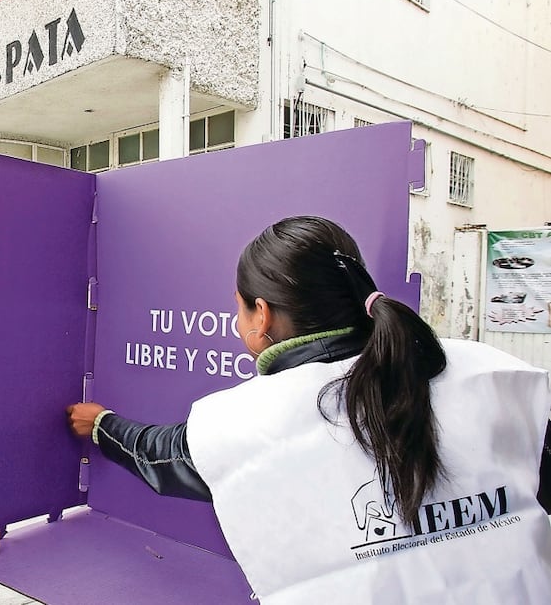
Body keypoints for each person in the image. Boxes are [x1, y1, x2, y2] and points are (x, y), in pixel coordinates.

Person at [67, 215, 551, 603]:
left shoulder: (243, 420)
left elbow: (159, 455)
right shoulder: (497, 373)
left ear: (262, 315)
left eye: (238, 309)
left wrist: (101, 425)